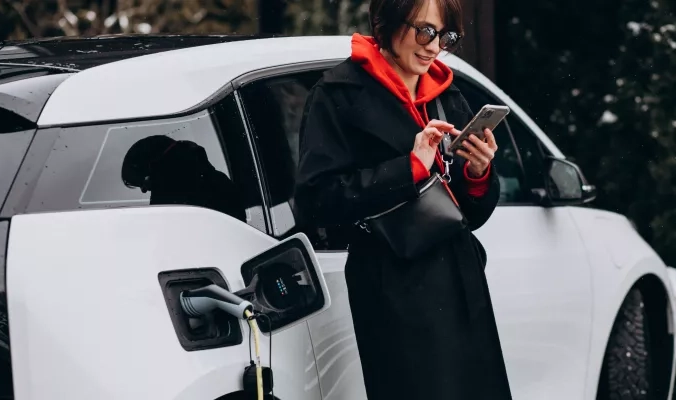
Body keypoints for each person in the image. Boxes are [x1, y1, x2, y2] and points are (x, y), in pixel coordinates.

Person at [293, 0, 513, 398]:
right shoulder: (339, 95)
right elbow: (316, 201)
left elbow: (470, 213)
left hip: (460, 284)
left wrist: (477, 174)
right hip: (392, 288)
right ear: (385, 22)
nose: (433, 47)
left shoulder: (448, 95)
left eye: (445, 36)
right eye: (424, 31)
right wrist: (409, 168)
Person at [121, 135, 246, 222]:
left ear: (154, 167)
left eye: (143, 181)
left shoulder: (167, 200)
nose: (144, 190)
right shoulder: (218, 180)